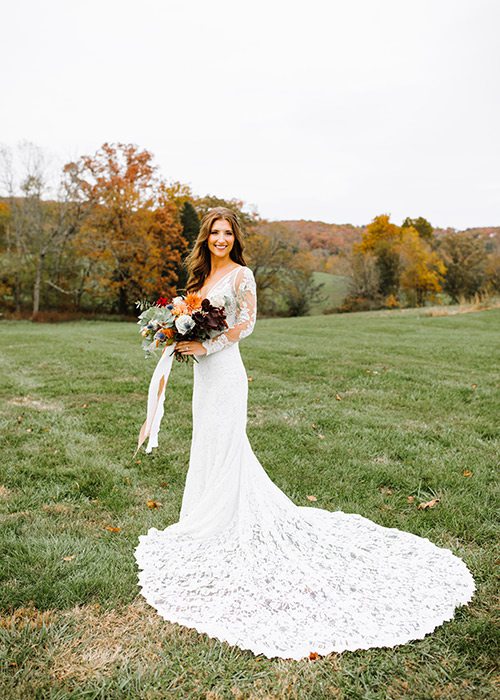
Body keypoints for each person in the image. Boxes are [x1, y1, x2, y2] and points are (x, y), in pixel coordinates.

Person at [134, 206, 475, 660]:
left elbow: (246, 325)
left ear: (235, 238)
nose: (221, 239)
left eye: (227, 233)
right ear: (206, 237)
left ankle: (226, 523)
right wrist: (179, 337)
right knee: (209, 443)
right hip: (203, 377)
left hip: (227, 373)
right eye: (214, 232)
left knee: (229, 445)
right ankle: (205, 520)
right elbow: (193, 316)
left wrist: (206, 343)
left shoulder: (242, 276)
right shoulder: (197, 281)